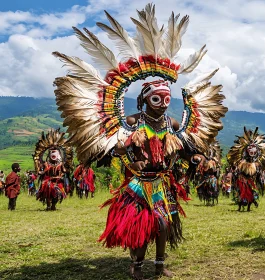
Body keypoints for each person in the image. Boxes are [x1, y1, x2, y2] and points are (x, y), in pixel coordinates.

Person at [52, 5, 227, 279]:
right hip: (137, 182)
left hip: (162, 182)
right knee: (142, 227)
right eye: (156, 99)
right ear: (145, 98)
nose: (162, 105)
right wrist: (123, 149)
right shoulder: (132, 122)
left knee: (164, 225)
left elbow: (186, 149)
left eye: (167, 100)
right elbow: (111, 148)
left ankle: (159, 264)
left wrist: (192, 157)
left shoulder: (174, 124)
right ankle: (137, 265)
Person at [227, 127, 265, 212]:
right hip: (242, 179)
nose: (252, 151)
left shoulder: (256, 162)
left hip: (251, 180)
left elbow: (260, 164)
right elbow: (237, 165)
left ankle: (248, 207)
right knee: (242, 192)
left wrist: (258, 172)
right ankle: (240, 207)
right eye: (250, 149)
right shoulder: (242, 161)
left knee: (251, 194)